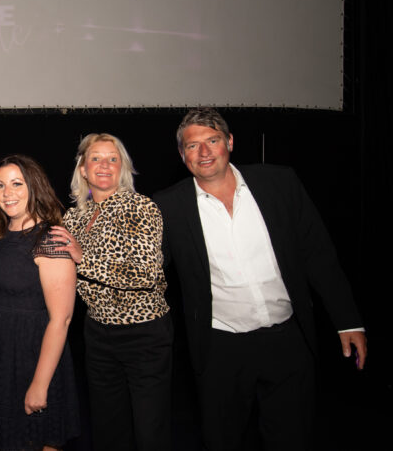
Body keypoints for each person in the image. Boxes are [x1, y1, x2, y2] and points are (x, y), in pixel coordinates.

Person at [153, 107, 368, 450]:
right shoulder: (167, 206)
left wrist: (348, 321)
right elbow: (147, 269)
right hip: (220, 350)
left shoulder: (279, 183)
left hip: (288, 342)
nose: (204, 152)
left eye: (213, 140)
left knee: (291, 438)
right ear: (182, 155)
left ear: (230, 142)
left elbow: (319, 255)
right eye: (193, 146)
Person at [52, 133, 172, 451]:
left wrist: (83, 258)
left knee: (150, 433)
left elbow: (145, 274)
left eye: (112, 158)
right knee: (107, 430)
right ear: (83, 169)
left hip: (144, 332)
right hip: (97, 334)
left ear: (122, 168)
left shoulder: (142, 207)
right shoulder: (73, 218)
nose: (104, 165)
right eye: (95, 158)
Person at [0, 155, 80, 451]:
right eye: (0, 185)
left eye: (17, 184)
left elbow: (61, 319)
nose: (7, 193)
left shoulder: (51, 240)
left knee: (35, 440)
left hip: (32, 357)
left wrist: (40, 384)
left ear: (34, 186)